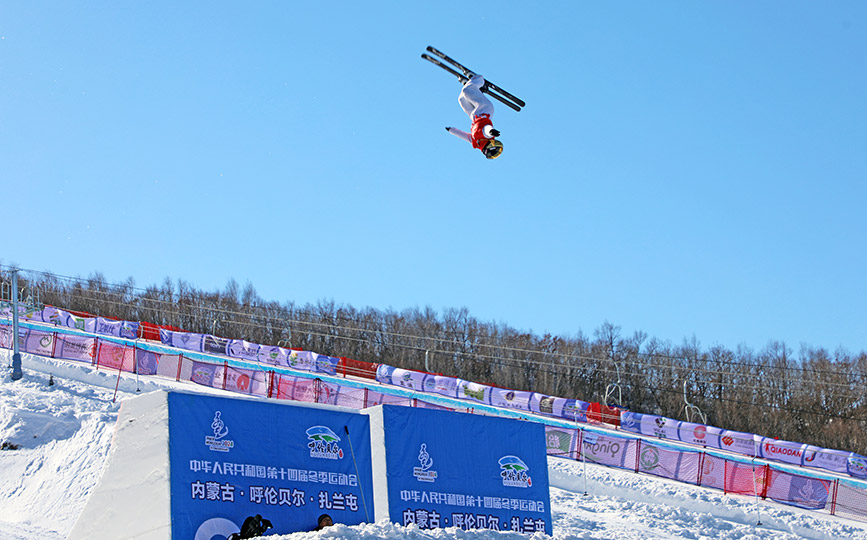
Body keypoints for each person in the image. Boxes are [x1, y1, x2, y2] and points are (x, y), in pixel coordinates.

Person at [445, 74, 504, 159]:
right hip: (485, 109)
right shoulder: (487, 137)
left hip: (475, 117)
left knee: (461, 99)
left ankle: (470, 84)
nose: (494, 140)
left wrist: (451, 130)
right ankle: (479, 80)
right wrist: (491, 131)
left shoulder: (476, 142)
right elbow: (486, 129)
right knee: (467, 90)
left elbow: (464, 136)